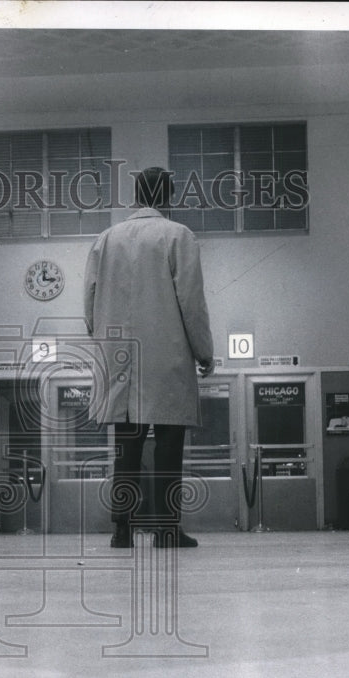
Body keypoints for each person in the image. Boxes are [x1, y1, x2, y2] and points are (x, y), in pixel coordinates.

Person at [83, 166, 215, 548]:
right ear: (169, 197)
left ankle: (121, 529)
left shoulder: (105, 239)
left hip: (118, 359)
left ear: (137, 195)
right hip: (166, 358)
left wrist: (101, 341)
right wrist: (204, 350)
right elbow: (192, 301)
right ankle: (166, 529)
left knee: (126, 449)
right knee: (169, 449)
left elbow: (89, 301)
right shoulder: (178, 236)